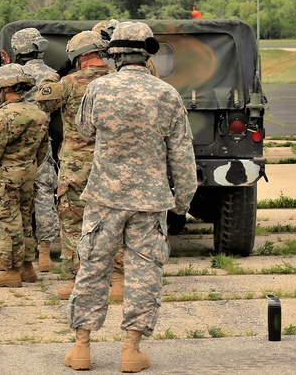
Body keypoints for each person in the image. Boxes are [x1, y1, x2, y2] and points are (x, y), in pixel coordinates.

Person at [64, 22, 196, 372]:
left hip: (104, 196)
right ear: (148, 53)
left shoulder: (99, 90)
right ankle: (130, 350)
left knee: (92, 268)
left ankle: (81, 347)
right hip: (149, 201)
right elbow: (181, 153)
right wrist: (183, 200)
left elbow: (84, 129)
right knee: (143, 272)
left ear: (115, 55)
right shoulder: (166, 94)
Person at [35, 30, 123, 302]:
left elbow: (43, 99)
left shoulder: (70, 83)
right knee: (115, 220)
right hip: (113, 163)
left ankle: (79, 282)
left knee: (74, 221)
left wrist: (56, 74)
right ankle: (118, 281)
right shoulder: (118, 81)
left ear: (79, 55)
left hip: (77, 165)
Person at [0, 27, 59, 273]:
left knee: (8, 201)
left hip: (10, 145)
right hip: (40, 141)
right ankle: (45, 253)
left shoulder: (14, 75)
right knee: (44, 194)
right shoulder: (53, 75)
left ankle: (12, 256)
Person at [0, 64, 49, 287]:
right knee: (25, 220)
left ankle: (11, 271)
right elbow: (43, 148)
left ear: (5, 89)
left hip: (6, 176)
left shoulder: (5, 114)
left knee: (7, 222)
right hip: (28, 172)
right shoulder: (39, 113)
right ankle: (27, 267)